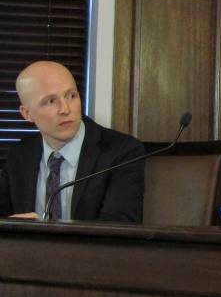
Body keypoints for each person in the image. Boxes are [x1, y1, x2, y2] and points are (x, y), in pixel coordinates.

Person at [0, 61, 145, 222]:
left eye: (71, 96)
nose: (65, 109)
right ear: (27, 113)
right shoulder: (19, 154)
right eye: (50, 101)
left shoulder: (122, 152)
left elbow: (120, 226)